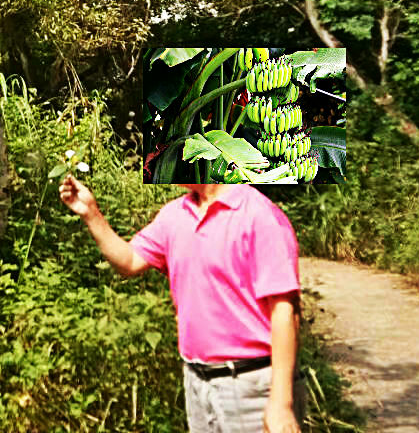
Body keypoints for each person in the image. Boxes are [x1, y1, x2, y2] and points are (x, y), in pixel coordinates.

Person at [59, 176, 305, 433]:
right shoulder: (175, 215)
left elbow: (285, 312)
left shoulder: (259, 216)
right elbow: (130, 260)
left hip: (255, 386)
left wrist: (281, 402)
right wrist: (91, 214)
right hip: (197, 382)